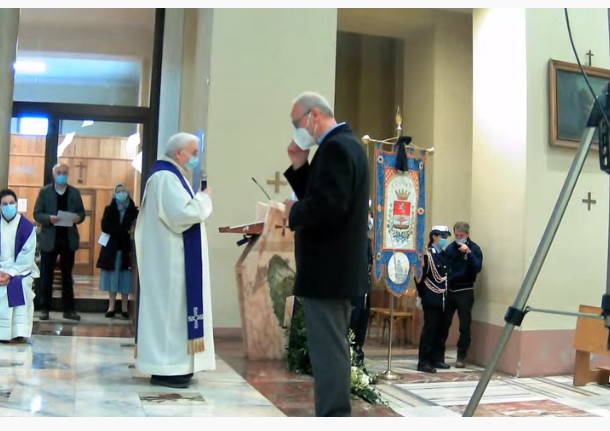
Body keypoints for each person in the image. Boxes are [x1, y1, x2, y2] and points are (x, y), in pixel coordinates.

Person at [283, 91, 370, 417]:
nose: (296, 129)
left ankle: (334, 416)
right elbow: (325, 196)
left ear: (314, 115)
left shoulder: (336, 148)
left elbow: (329, 207)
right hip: (335, 269)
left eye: (296, 122)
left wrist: (294, 212)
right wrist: (300, 167)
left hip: (329, 270)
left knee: (329, 351)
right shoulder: (343, 146)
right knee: (328, 348)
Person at [135, 132, 215, 389]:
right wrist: (205, 198)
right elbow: (183, 214)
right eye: (193, 152)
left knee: (175, 315)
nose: (195, 158)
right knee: (171, 315)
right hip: (170, 266)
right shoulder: (165, 177)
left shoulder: (170, 175)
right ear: (179, 153)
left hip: (173, 262)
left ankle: (176, 366)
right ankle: (167, 368)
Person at [34, 163, 86, 321]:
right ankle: (44, 308)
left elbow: (81, 213)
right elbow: (37, 214)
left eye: (65, 172)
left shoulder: (74, 193)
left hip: (68, 239)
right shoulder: (45, 192)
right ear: (54, 175)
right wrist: (49, 218)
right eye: (59, 172)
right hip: (50, 238)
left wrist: (78, 217)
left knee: (67, 277)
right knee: (46, 275)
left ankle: (69, 309)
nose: (62, 175)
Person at [439, 221, 483, 368]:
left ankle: (461, 356)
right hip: (450, 291)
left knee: (464, 326)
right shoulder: (451, 248)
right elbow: (444, 267)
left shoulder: (474, 248)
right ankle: (439, 356)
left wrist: (468, 253)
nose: (458, 238)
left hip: (465, 291)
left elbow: (477, 267)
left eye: (461, 235)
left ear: (467, 235)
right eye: (456, 235)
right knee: (444, 324)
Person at [0, 189, 39, 342]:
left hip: (20, 270)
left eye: (11, 203)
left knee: (18, 284)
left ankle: (18, 331)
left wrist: (10, 273)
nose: (8, 206)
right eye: (4, 204)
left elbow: (27, 256)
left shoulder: (27, 227)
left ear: (16, 204)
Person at [96, 184, 139, 319]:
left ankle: (125, 308)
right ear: (115, 193)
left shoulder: (134, 210)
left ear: (128, 193)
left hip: (126, 248)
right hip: (112, 248)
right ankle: (111, 307)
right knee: (112, 277)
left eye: (124, 191)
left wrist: (125, 231)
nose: (121, 193)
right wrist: (122, 231)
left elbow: (134, 227)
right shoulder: (109, 209)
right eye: (119, 191)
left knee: (125, 278)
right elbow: (105, 226)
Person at [415, 225, 451, 373]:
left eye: (446, 237)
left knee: (441, 330)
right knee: (430, 330)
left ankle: (437, 359)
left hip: (442, 297)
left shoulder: (442, 254)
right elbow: (419, 277)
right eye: (442, 236)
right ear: (434, 236)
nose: (444, 240)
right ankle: (424, 361)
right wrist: (422, 295)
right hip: (431, 297)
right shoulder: (427, 255)